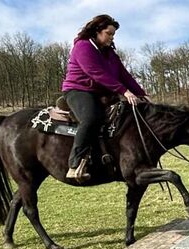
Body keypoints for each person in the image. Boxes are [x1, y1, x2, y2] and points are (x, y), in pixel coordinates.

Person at [61, 14, 150, 181]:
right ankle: (74, 164)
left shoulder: (109, 53)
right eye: (109, 33)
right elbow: (96, 73)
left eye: (113, 35)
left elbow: (124, 74)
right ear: (97, 31)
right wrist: (124, 91)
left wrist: (141, 94)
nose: (111, 37)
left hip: (99, 92)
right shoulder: (83, 46)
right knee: (91, 118)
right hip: (78, 90)